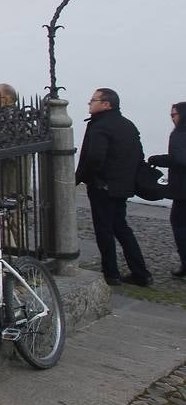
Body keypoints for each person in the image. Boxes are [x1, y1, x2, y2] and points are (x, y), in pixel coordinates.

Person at [76, 88, 152, 287]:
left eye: (93, 100)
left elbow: (94, 158)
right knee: (121, 228)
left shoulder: (100, 126)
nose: (89, 104)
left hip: (103, 187)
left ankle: (111, 272)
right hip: (122, 187)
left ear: (106, 104)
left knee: (104, 230)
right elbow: (138, 155)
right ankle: (141, 272)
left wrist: (82, 178)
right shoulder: (127, 125)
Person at [148, 102, 186, 278]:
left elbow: (179, 159)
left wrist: (158, 159)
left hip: (183, 189)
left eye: (174, 114)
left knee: (179, 224)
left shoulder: (179, 134)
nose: (172, 118)